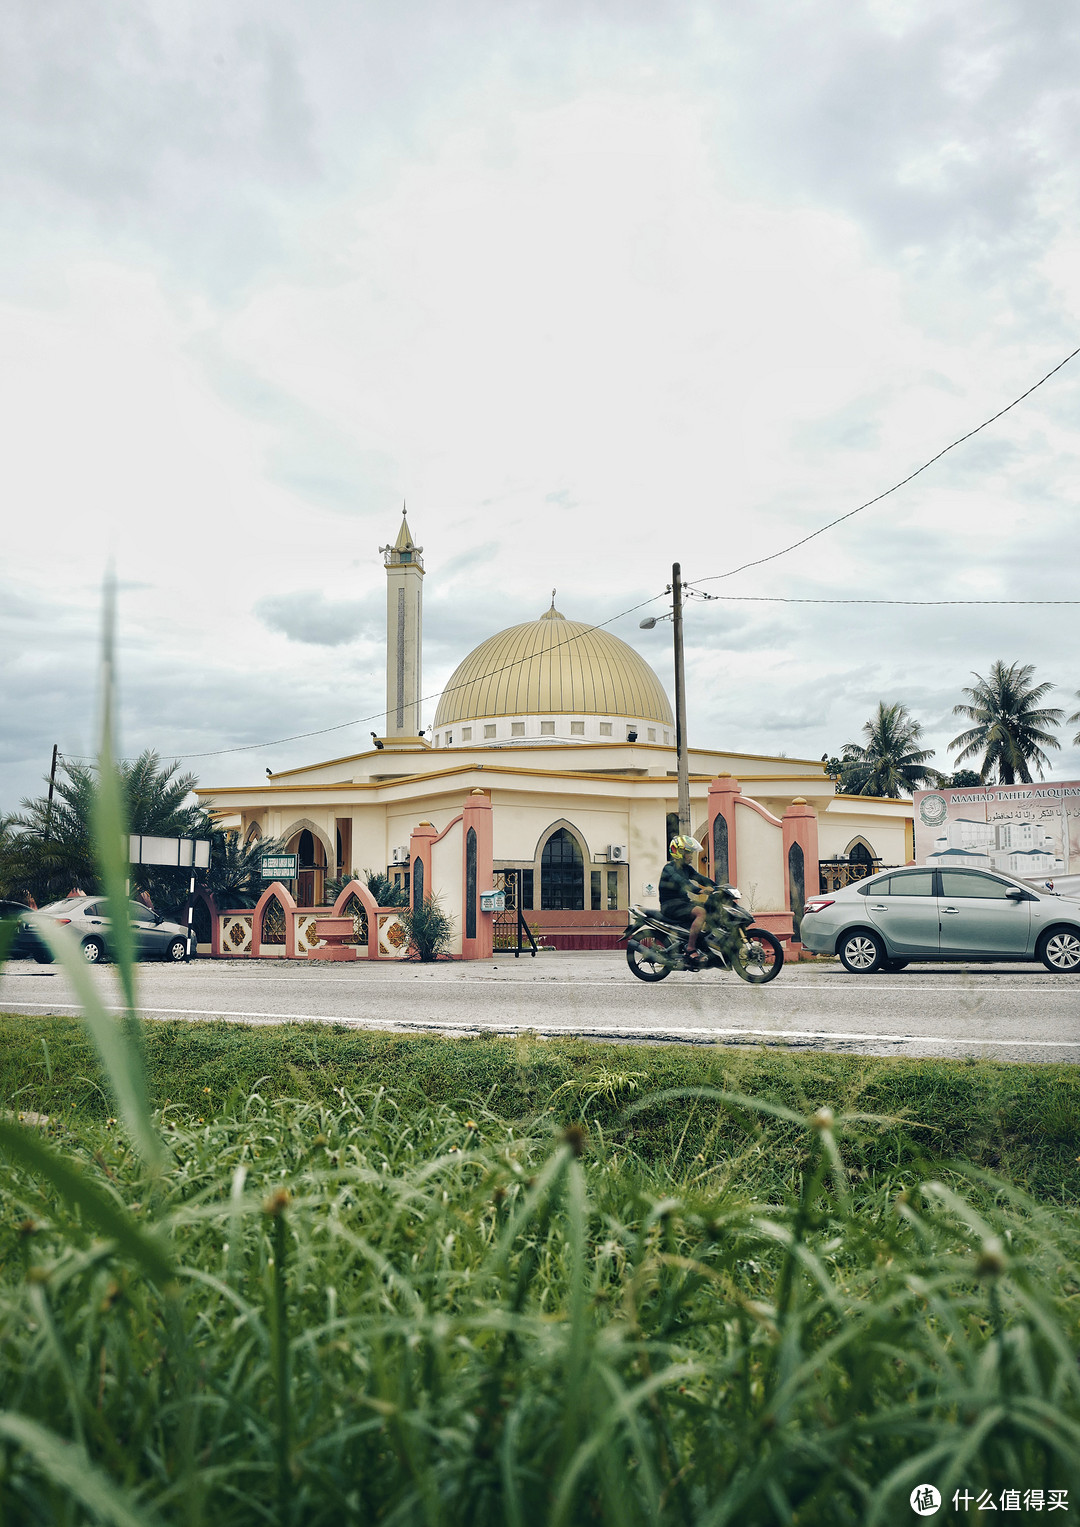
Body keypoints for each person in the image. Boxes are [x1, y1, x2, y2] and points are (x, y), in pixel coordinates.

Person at [659, 835, 714, 966]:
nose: (691, 855)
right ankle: (690, 949)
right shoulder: (669, 868)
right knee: (700, 912)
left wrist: (720, 887)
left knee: (711, 908)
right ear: (680, 853)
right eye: (688, 852)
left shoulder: (686, 868)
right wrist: (699, 890)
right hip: (670, 905)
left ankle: (703, 944)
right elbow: (682, 882)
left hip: (683, 903)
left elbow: (700, 878)